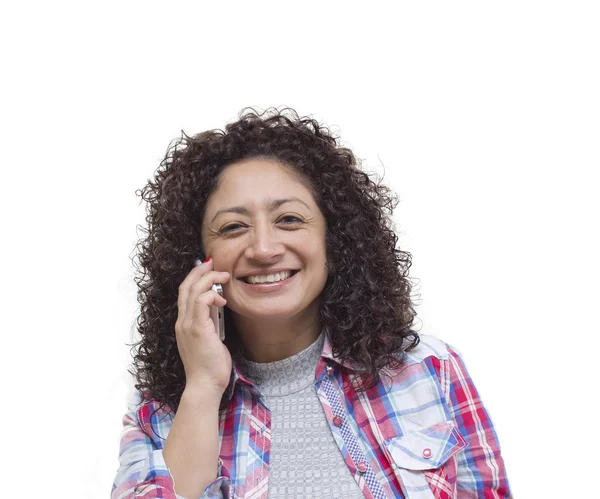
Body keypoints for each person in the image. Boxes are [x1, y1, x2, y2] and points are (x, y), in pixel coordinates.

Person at [112, 107, 512, 499]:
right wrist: (202, 387)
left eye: (289, 219)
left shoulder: (430, 370)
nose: (264, 249)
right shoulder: (161, 413)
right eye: (233, 227)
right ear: (196, 260)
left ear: (333, 242)